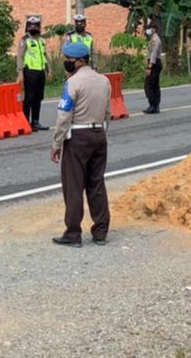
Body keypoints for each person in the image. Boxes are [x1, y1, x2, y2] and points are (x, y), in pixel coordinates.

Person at [50, 41, 112, 247]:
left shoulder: (73, 83)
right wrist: (102, 132)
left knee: (74, 186)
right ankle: (101, 231)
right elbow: (107, 112)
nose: (66, 63)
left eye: (68, 60)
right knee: (96, 184)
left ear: (79, 61)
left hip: (78, 137)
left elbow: (64, 116)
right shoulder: (104, 81)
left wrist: (57, 142)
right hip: (99, 135)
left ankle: (73, 233)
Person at [17, 15, 51, 131]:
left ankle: (35, 121)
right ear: (27, 27)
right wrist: (20, 73)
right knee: (29, 98)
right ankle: (26, 121)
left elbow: (46, 55)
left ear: (39, 27)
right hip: (30, 72)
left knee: (38, 97)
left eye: (35, 25)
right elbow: (20, 57)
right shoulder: (24, 40)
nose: (33, 27)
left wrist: (49, 70)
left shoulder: (42, 40)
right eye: (31, 25)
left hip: (40, 71)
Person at [143, 24, 163, 114]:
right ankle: (156, 106)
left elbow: (153, 54)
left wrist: (149, 67)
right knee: (155, 85)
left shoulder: (155, 40)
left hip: (154, 64)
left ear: (154, 29)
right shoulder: (153, 39)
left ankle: (153, 105)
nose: (147, 31)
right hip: (156, 63)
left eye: (149, 29)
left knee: (148, 85)